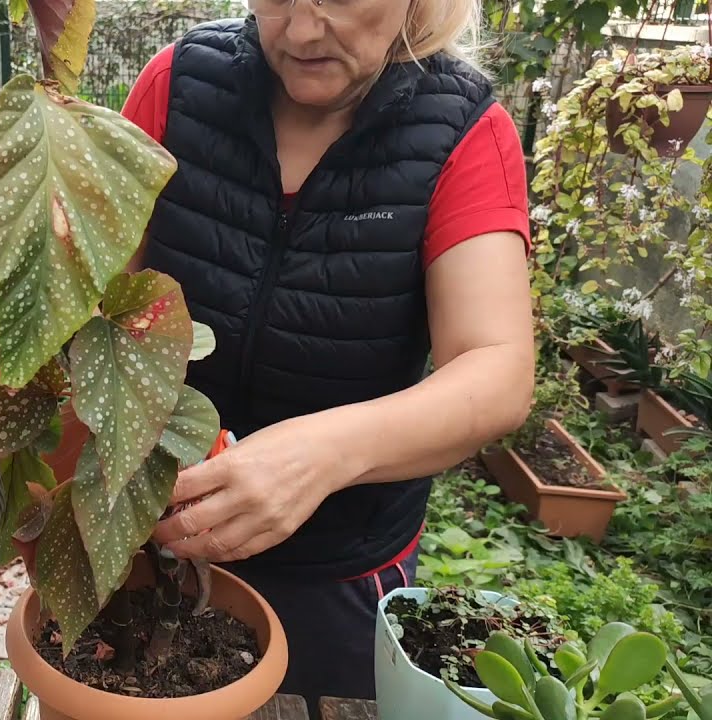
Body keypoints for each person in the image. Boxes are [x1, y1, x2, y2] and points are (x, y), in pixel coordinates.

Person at [129, 0, 536, 709]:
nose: (301, 29)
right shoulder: (178, 86)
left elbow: (498, 370)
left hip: (338, 579)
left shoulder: (463, 131)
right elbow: (98, 303)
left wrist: (318, 456)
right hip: (150, 543)